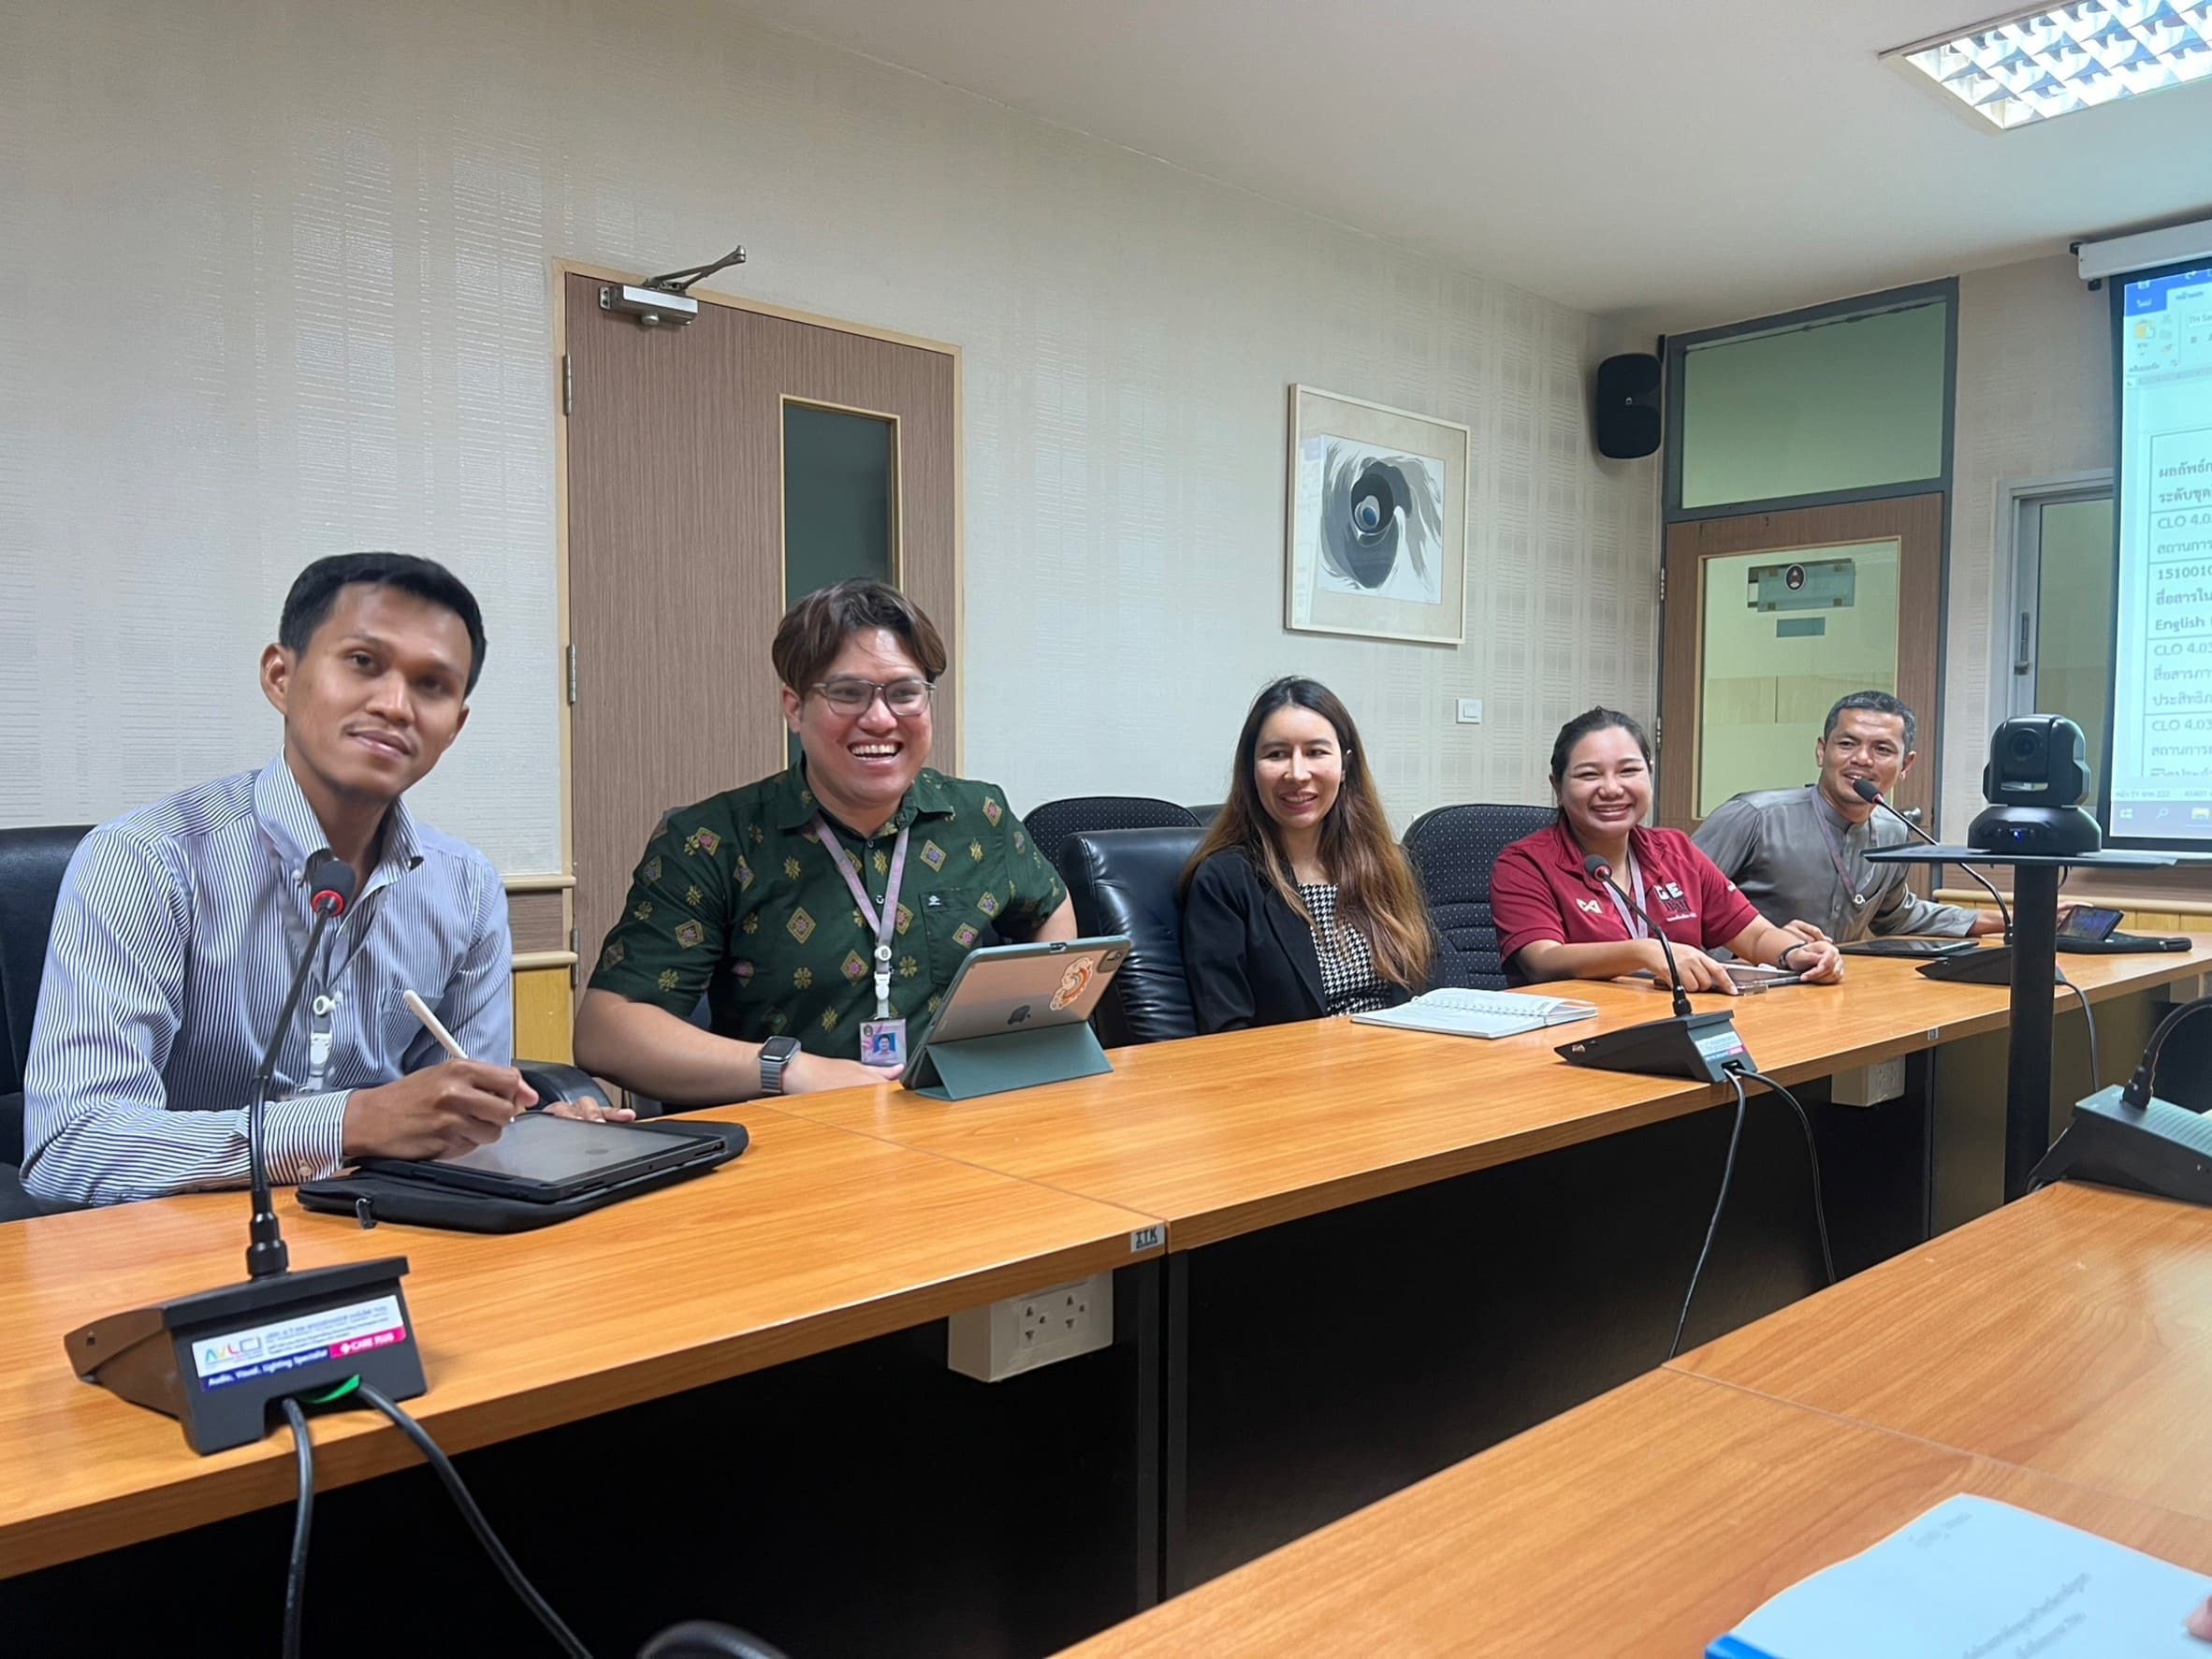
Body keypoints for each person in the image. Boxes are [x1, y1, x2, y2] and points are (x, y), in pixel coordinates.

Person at [22, 553, 618, 1210]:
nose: (394, 705)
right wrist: (348, 1123)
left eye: (432, 685)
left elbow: (457, 1123)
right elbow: (72, 1147)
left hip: (391, 1231)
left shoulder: (467, 886)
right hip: (181, 1244)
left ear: (455, 726)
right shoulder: (146, 860)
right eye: (363, 662)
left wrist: (524, 1137)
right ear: (281, 676)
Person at [574, 579, 1075, 1102]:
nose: (879, 719)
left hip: (953, 1118)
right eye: (848, 693)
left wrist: (1024, 1033)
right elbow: (607, 1032)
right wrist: (790, 1071)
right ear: (794, 708)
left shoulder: (979, 815)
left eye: (905, 693)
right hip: (790, 1127)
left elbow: (1051, 908)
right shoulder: (711, 841)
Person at [1492, 707, 1844, 993]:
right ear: (1557, 785)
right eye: (1589, 775)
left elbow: (1754, 935)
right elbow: (1542, 960)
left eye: (1628, 771)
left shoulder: (1674, 850)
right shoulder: (1525, 863)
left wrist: (1798, 954)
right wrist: (1644, 952)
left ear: (1649, 773)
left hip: (1675, 1023)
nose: (1612, 789)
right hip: (1576, 1035)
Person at [1180, 677, 1433, 1032]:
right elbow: (1226, 1030)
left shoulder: (1387, 864)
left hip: (1402, 1055)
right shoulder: (1225, 880)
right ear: (1251, 770)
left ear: (1345, 767)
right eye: (1276, 754)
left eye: (1315, 752)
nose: (1297, 774)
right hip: (1295, 1065)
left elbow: (1433, 989)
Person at [1693, 691, 2005, 947]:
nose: (1862, 759)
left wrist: (2006, 920)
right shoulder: (1754, 817)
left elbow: (1895, 916)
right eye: (1847, 744)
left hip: (1830, 989)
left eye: (1882, 749)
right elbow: (1675, 905)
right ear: (1821, 751)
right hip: (1734, 987)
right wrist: (1763, 940)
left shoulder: (1894, 831)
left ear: (1906, 765)